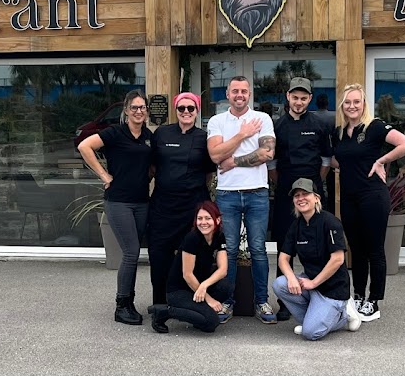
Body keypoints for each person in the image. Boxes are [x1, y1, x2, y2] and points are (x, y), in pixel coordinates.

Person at [332, 83, 405, 322]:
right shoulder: (338, 132)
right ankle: (358, 296)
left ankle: (374, 300)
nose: (352, 106)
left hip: (373, 196)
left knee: (374, 249)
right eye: (347, 102)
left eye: (356, 102)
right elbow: (339, 160)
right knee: (356, 250)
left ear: (363, 104)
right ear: (342, 106)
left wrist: (381, 161)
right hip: (349, 198)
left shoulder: (375, 127)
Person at [78, 89, 153, 326]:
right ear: (126, 111)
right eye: (134, 108)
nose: (139, 111)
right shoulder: (115, 133)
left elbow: (151, 165)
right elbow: (84, 147)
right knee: (130, 252)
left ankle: (129, 302)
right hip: (119, 201)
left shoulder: (148, 136)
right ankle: (121, 306)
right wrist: (103, 175)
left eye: (142, 108)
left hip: (142, 201)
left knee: (134, 252)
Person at [206, 75, 277, 324]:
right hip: (227, 194)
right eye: (235, 91)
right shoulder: (217, 121)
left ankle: (261, 302)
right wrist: (243, 134)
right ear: (227, 94)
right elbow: (215, 154)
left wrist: (233, 159)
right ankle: (227, 302)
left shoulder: (263, 119)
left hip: (257, 191)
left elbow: (267, 152)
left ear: (250, 95)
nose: (239, 95)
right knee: (230, 250)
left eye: (244, 91)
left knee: (258, 249)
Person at [269, 77, 333, 321]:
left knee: (318, 244)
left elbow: (326, 160)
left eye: (303, 98)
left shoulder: (319, 124)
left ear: (310, 99)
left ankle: (319, 292)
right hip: (286, 191)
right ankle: (285, 301)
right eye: (295, 97)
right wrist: (284, 184)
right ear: (288, 97)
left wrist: (314, 184)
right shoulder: (278, 125)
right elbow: (272, 164)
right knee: (285, 244)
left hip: (313, 191)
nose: (298, 102)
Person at [272, 178, 361, 340]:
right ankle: (315, 319)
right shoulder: (296, 225)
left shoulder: (330, 222)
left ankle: (343, 315)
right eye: (296, 195)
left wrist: (313, 283)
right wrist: (292, 279)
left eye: (305, 194)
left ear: (317, 198)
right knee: (280, 284)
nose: (301, 198)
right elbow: (283, 258)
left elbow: (338, 259)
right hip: (311, 283)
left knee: (311, 333)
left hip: (332, 288)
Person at [147, 92, 214, 306]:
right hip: (163, 205)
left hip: (192, 206)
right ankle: (160, 303)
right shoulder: (161, 133)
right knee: (159, 254)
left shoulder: (204, 137)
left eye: (190, 108)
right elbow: (151, 166)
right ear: (176, 111)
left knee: (196, 253)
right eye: (181, 108)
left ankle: (191, 300)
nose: (186, 112)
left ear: (197, 111)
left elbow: (209, 172)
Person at [148, 201, 232, 333]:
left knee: (225, 286)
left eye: (208, 218)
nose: (203, 222)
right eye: (200, 218)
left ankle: (198, 313)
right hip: (179, 291)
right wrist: (209, 300)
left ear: (217, 220)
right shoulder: (192, 238)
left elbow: (223, 270)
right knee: (211, 323)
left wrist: (203, 286)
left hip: (198, 287)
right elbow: (187, 274)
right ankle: (164, 311)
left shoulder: (219, 236)